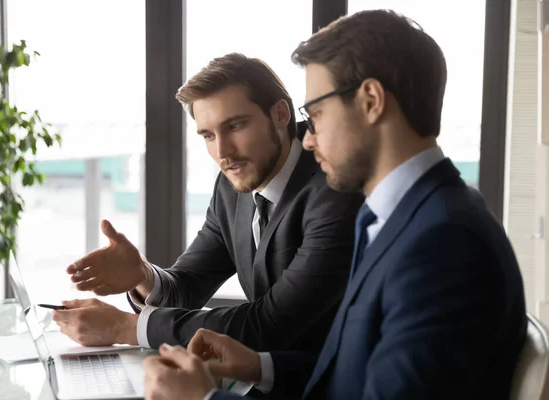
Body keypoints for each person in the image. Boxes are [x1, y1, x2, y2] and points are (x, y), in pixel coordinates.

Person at [142, 9, 527, 400]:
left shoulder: (444, 244)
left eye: (317, 113)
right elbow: (357, 375)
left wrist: (203, 398)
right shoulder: (395, 219)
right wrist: (260, 366)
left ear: (371, 101)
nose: (307, 139)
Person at [53, 53, 364, 356]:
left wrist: (125, 328)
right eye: (208, 136)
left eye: (235, 126)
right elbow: (188, 285)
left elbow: (270, 324)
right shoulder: (232, 185)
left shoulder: (334, 188)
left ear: (281, 114)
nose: (223, 152)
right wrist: (143, 275)